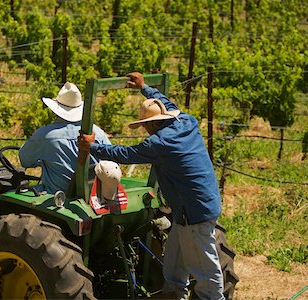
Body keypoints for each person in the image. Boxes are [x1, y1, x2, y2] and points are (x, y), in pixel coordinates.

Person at [78, 72, 224, 300]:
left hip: (193, 213)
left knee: (205, 273)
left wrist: (93, 147)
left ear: (154, 123)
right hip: (195, 205)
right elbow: (167, 104)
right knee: (174, 263)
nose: (145, 130)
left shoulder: (160, 143)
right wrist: (145, 87)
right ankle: (173, 294)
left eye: (145, 125)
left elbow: (126, 154)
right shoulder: (187, 121)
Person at [19, 82, 110, 194]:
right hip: (94, 194)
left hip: (56, 195)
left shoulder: (45, 135)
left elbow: (25, 160)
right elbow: (112, 163)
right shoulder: (97, 132)